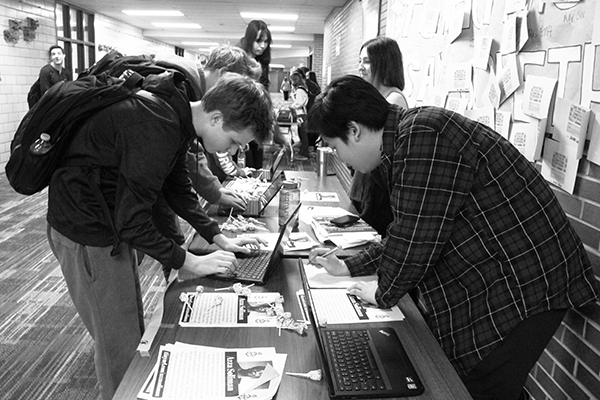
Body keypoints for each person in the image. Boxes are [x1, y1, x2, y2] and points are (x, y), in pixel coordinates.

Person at [307, 75, 600, 400]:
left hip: (528, 283)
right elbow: (407, 229)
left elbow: (414, 241)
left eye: (335, 147)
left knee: (476, 385)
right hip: (499, 275)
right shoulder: (404, 142)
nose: (341, 158)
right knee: (462, 375)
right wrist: (348, 266)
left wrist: (383, 292)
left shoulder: (424, 135)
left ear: (354, 130)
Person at [46, 72, 273, 400]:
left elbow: (176, 183)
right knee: (119, 343)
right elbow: (133, 223)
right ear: (216, 118)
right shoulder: (156, 124)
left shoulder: (176, 112)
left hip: (106, 221)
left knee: (129, 325)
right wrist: (191, 261)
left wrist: (217, 236)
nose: (235, 150)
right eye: (236, 141)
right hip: (87, 230)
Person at [350, 36, 409, 236]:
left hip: (378, 192)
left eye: (366, 61)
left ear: (383, 63)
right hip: (366, 185)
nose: (361, 67)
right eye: (360, 61)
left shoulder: (393, 100)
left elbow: (373, 147)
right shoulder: (378, 97)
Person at [238, 20, 272, 170]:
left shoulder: (261, 62)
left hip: (255, 122)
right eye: (258, 41)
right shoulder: (238, 59)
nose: (262, 46)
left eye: (266, 41)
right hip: (239, 121)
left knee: (256, 166)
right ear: (249, 39)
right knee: (245, 167)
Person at [289, 70, 310, 160]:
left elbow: (299, 103)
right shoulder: (302, 88)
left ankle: (304, 154)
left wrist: (292, 106)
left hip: (301, 114)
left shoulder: (300, 90)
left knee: (303, 134)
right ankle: (303, 152)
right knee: (302, 133)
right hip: (301, 114)